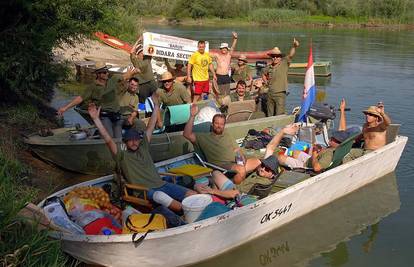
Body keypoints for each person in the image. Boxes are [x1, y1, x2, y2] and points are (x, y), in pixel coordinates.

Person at [87, 98, 197, 212]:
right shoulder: (122, 154)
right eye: (130, 140)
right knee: (160, 196)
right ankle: (188, 212)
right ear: (125, 142)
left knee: (192, 194)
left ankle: (196, 209)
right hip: (144, 191)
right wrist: (96, 119)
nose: (134, 142)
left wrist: (155, 106)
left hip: (162, 184)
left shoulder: (143, 146)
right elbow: (108, 139)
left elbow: (150, 126)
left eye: (136, 139)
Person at [183, 104, 258, 184]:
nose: (219, 126)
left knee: (258, 162)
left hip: (236, 163)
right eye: (217, 123)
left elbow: (237, 149)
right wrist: (192, 116)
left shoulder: (226, 134)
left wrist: (242, 157)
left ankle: (230, 182)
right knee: (241, 170)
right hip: (220, 166)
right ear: (212, 124)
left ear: (224, 126)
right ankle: (237, 190)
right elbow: (186, 134)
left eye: (221, 124)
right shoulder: (203, 137)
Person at [57, 62, 125, 138]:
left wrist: (133, 73)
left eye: (107, 72)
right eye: (104, 72)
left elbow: (124, 77)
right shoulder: (93, 87)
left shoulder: (111, 81)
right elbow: (80, 98)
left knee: (119, 138)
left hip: (116, 114)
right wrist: (65, 108)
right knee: (109, 136)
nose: (107, 74)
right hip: (104, 115)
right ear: (99, 74)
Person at [262, 38, 299, 116]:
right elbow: (263, 74)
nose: (275, 58)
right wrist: (266, 82)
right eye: (273, 56)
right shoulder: (268, 67)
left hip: (280, 94)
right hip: (270, 93)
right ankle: (270, 127)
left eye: (277, 56)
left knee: (279, 114)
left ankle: (278, 128)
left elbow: (291, 55)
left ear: (280, 57)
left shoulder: (284, 63)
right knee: (270, 114)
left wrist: (294, 46)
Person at [130, 38, 158, 104]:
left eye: (143, 52)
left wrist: (146, 41)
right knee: (143, 102)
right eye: (141, 53)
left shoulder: (147, 58)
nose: (143, 54)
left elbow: (151, 50)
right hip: (142, 85)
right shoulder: (135, 60)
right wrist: (137, 41)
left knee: (156, 99)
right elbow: (131, 52)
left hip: (151, 82)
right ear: (137, 54)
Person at [213, 32, 238, 96]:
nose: (224, 49)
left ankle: (227, 104)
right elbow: (207, 55)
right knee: (218, 92)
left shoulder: (229, 55)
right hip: (218, 76)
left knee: (227, 92)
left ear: (227, 49)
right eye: (222, 48)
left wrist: (235, 39)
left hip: (226, 76)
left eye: (225, 48)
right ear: (220, 49)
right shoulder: (217, 55)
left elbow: (233, 47)